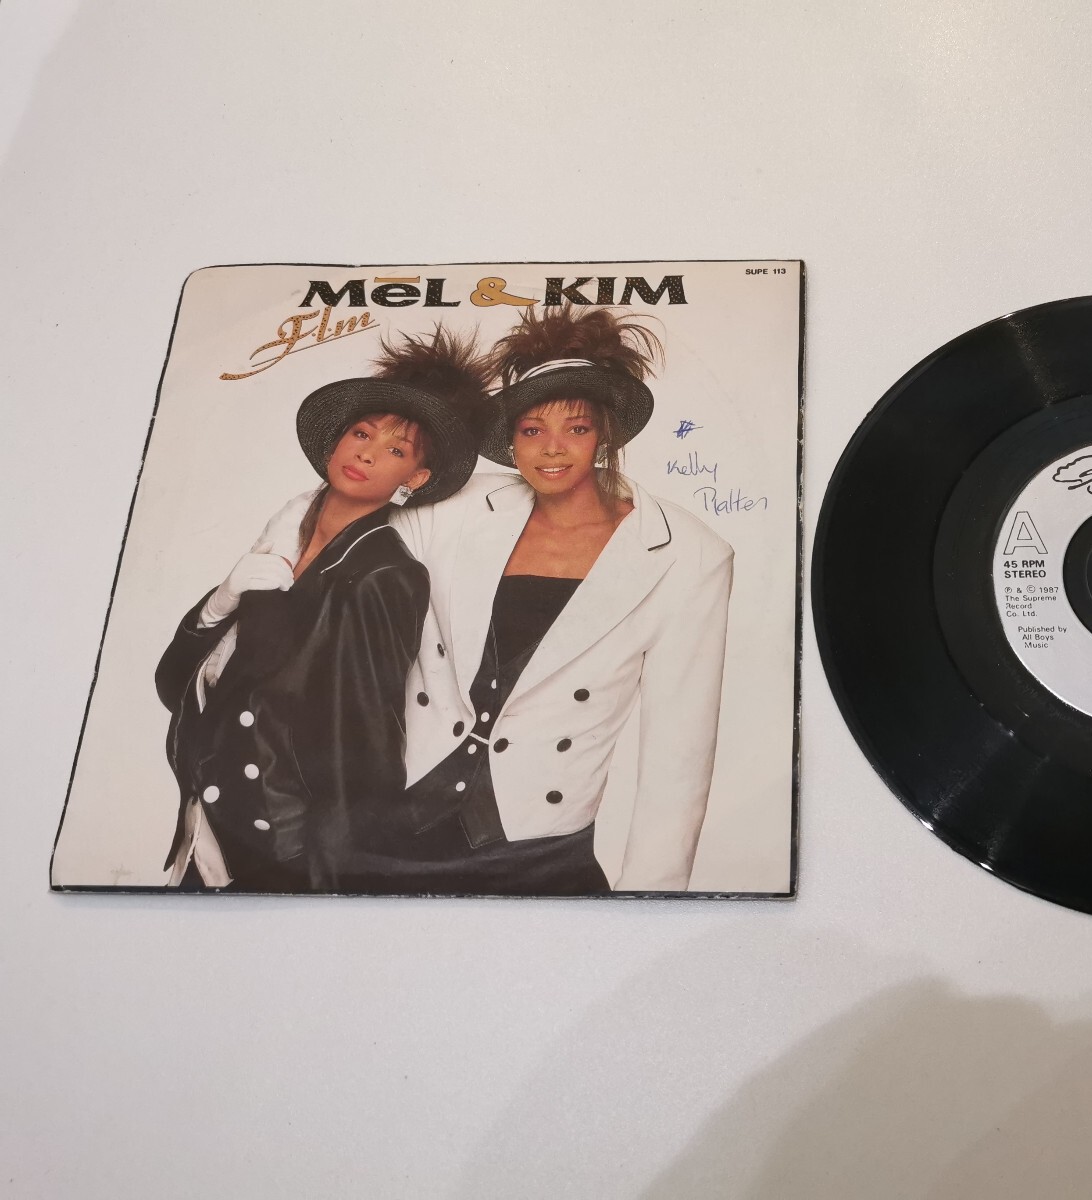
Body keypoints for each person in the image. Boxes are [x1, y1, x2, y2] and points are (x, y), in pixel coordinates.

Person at [382, 304, 735, 893]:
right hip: (399, 820)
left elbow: (680, 752)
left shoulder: (688, 554)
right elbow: (344, 548)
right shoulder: (455, 508)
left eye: (576, 428)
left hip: (537, 844)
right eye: (532, 430)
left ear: (606, 434)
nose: (552, 449)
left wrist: (652, 906)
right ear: (511, 440)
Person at [155, 329, 492, 892]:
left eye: (396, 450)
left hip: (282, 855)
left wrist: (336, 889)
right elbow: (174, 687)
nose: (367, 453)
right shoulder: (280, 542)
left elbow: (363, 753)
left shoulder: (386, 575)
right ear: (338, 440)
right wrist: (220, 602)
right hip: (206, 828)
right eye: (362, 433)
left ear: (414, 480)